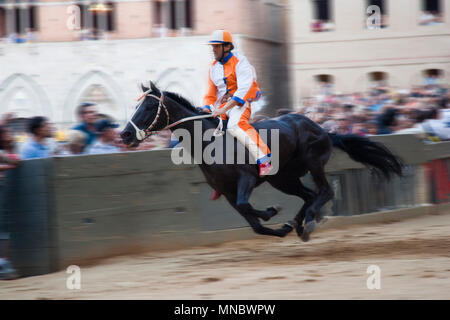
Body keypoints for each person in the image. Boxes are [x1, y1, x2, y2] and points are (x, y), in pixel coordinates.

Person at [202, 30, 272, 176]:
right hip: (222, 107)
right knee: (207, 131)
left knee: (235, 126)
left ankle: (265, 158)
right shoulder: (213, 68)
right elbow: (210, 94)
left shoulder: (241, 62)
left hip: (242, 104)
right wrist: (207, 108)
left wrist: (223, 109)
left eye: (216, 46)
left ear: (227, 47)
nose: (213, 49)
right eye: (212, 46)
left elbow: (243, 91)